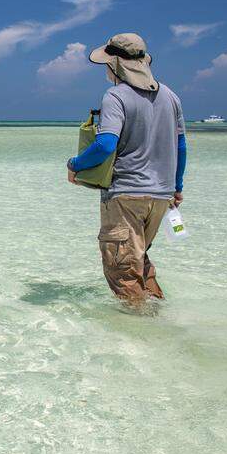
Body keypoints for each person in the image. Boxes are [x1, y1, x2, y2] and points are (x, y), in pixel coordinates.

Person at [67, 33, 187, 308]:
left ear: (115, 64)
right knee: (139, 263)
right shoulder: (171, 97)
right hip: (160, 197)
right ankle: (162, 319)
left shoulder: (116, 96)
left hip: (126, 196)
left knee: (122, 272)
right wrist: (176, 188)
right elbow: (180, 147)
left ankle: (142, 335)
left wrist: (74, 165)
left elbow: (106, 143)